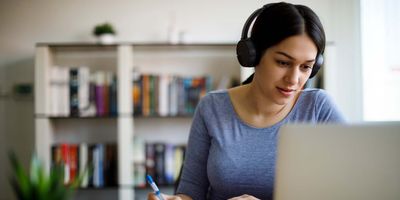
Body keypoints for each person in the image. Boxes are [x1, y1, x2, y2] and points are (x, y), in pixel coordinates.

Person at [148, 2, 345, 200]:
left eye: (306, 67)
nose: (294, 79)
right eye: (283, 63)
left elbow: (350, 188)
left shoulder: (319, 108)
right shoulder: (212, 108)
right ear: (253, 55)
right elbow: (190, 193)